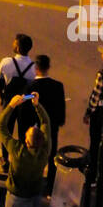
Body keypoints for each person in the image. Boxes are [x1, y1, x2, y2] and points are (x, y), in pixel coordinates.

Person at [0, 34, 36, 170]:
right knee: (23, 133)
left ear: (18, 48)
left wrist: (1, 98)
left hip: (9, 101)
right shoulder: (33, 67)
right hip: (25, 102)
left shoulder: (6, 62)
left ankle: (4, 160)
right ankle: (20, 160)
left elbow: (0, 82)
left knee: (6, 130)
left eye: (14, 43)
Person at [33, 55, 66, 197]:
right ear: (48, 67)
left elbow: (28, 110)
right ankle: (49, 188)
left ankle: (34, 183)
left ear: (36, 68)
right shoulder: (58, 86)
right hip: (52, 127)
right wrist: (60, 121)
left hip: (36, 128)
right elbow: (61, 106)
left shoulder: (31, 86)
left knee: (35, 155)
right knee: (52, 156)